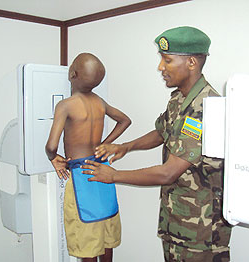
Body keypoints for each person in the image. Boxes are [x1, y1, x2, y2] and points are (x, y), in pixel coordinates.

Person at [81, 26, 232, 262]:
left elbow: (168, 173)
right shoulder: (180, 98)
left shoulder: (205, 108)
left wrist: (114, 176)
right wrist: (125, 146)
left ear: (191, 62)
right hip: (177, 222)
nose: (161, 67)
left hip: (201, 234)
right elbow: (162, 132)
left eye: (167, 60)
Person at [45, 53, 131, 262]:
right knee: (105, 230)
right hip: (102, 171)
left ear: (72, 73)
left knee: (86, 237)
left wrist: (53, 157)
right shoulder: (99, 102)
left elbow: (51, 145)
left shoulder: (66, 105)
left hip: (81, 174)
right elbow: (125, 121)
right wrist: (105, 144)